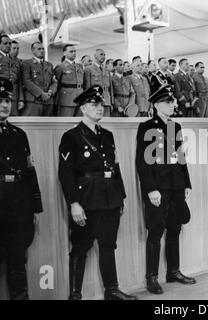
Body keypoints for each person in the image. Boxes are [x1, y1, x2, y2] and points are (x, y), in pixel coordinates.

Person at [58, 85, 136, 300]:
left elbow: (115, 167)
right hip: (87, 200)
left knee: (108, 245)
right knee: (80, 247)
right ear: (83, 108)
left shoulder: (108, 135)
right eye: (94, 104)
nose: (99, 108)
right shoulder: (71, 136)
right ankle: (75, 294)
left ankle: (111, 290)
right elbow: (65, 174)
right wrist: (74, 203)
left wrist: (122, 196)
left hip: (110, 197)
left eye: (101, 104)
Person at [136, 84, 196, 294]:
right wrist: (151, 189)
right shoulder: (146, 126)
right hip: (159, 187)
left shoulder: (176, 126)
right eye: (168, 102)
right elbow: (142, 162)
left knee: (175, 228)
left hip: (176, 185)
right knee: (155, 231)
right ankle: (152, 277)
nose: (173, 104)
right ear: (156, 105)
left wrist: (187, 182)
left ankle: (173, 271)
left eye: (173, 101)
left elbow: (181, 156)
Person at [0, 78, 42, 299]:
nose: (5, 105)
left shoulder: (18, 134)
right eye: (0, 100)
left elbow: (29, 171)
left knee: (18, 260)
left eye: (7, 99)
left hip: (18, 207)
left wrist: (35, 206)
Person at [21, 42, 57, 116]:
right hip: (34, 101)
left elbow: (54, 82)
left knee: (47, 125)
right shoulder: (26, 63)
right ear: (33, 50)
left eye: (43, 49)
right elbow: (27, 81)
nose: (42, 51)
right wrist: (41, 94)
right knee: (32, 125)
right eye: (39, 49)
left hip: (48, 100)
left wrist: (51, 92)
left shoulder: (49, 65)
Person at [54, 44, 84, 117]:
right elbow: (56, 84)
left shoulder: (79, 66)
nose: (74, 53)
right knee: (66, 122)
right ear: (64, 53)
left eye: (75, 51)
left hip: (80, 96)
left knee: (78, 122)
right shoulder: (60, 66)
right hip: (66, 99)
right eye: (71, 51)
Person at [83, 49, 113, 117]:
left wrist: (111, 102)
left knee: (106, 122)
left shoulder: (106, 70)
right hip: (95, 100)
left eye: (104, 55)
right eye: (101, 54)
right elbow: (87, 87)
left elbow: (110, 88)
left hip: (106, 100)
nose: (103, 56)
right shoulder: (88, 69)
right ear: (95, 56)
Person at [0, 35, 24, 116]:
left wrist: (21, 99)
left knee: (13, 120)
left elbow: (19, 81)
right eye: (5, 43)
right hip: (1, 95)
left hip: (13, 95)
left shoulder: (15, 60)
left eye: (10, 43)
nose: (8, 45)